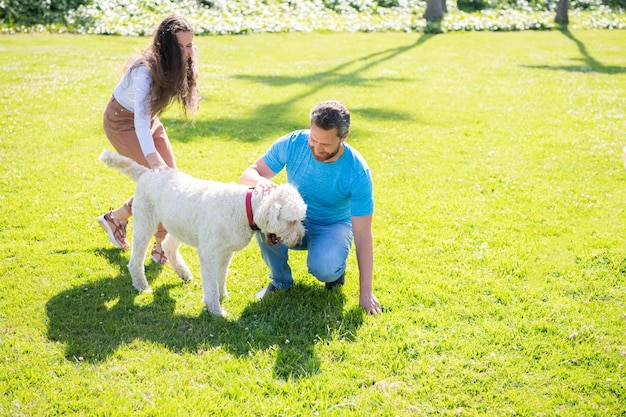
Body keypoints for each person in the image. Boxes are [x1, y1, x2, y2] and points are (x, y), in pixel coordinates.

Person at [240, 100, 382, 315]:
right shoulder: (293, 142)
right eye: (313, 139)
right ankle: (280, 282)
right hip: (294, 219)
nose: (316, 147)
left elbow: (363, 235)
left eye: (325, 144)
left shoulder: (358, 172)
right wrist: (265, 185)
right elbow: (249, 174)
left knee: (325, 268)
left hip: (332, 225)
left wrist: (366, 293)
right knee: (263, 216)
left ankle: (335, 273)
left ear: (344, 137)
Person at [98, 15, 200, 264]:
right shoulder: (144, 71)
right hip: (123, 123)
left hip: (148, 120)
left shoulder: (180, 60)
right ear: (166, 47)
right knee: (161, 184)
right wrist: (154, 161)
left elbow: (147, 118)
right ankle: (160, 245)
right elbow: (138, 123)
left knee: (171, 184)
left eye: (190, 45)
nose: (189, 52)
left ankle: (117, 218)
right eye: (183, 47)